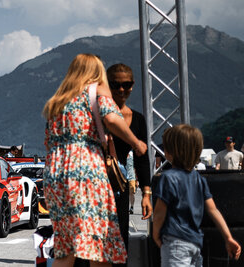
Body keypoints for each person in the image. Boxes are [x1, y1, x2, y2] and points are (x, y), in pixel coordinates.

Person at [41, 54, 147, 266]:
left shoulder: (57, 102)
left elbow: (48, 140)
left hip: (55, 173)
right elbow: (111, 118)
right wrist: (136, 142)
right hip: (84, 170)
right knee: (100, 243)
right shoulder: (97, 91)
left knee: (66, 248)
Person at [153, 124, 241, 265]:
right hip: (195, 242)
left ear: (171, 151)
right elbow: (213, 210)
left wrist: (156, 234)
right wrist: (228, 237)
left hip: (175, 242)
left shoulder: (168, 177)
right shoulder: (198, 179)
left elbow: (159, 212)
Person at [106, 63, 154, 262]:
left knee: (120, 240)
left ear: (133, 85)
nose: (121, 89)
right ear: (107, 85)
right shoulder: (98, 115)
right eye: (115, 84)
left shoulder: (138, 119)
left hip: (120, 184)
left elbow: (142, 159)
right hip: (96, 183)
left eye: (126, 84)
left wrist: (146, 193)